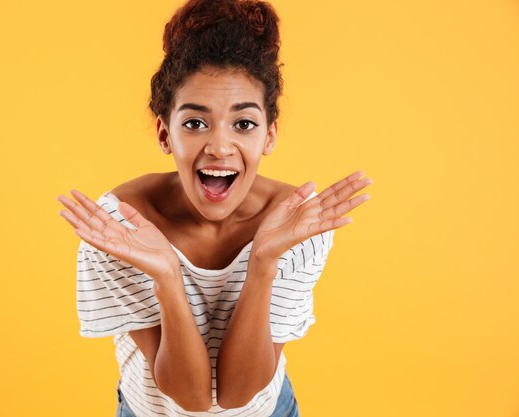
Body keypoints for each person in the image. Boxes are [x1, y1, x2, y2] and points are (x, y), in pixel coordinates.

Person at [57, 0, 372, 415]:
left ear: (269, 136)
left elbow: (238, 393)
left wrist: (264, 260)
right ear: (164, 133)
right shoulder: (117, 228)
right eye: (194, 123)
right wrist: (167, 275)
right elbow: (188, 397)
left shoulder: (300, 225)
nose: (220, 147)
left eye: (243, 124)